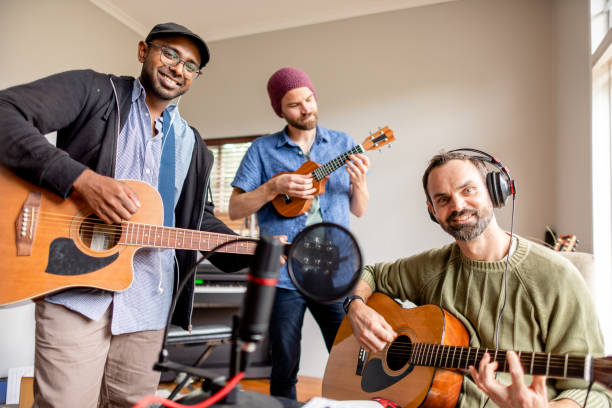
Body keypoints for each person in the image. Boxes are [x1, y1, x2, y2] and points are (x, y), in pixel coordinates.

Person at [0, 22, 249, 407]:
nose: (177, 68)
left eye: (190, 65)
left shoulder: (193, 146)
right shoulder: (94, 91)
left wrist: (255, 250)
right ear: (142, 51)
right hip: (75, 296)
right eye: (170, 53)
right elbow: (5, 113)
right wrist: (81, 180)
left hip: (149, 305)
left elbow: (199, 222)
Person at [346, 151, 612, 408]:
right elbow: (370, 274)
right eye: (443, 199)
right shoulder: (430, 267)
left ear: (493, 191)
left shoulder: (557, 276)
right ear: (432, 211)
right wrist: (356, 308)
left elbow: (595, 392)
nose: (458, 205)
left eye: (468, 190)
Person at [229, 67, 371, 399]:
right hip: (283, 273)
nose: (306, 109)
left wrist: (361, 183)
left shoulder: (343, 144)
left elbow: (359, 209)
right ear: (280, 110)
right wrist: (272, 186)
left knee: (350, 359)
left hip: (334, 271)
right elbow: (235, 208)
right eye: (294, 104)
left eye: (309, 99)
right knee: (284, 363)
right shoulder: (262, 150)